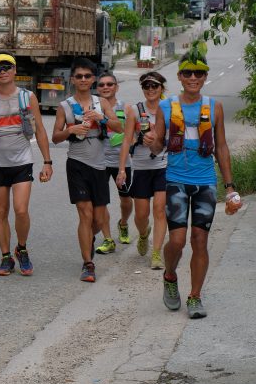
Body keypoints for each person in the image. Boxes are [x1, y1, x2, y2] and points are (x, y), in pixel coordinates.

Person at [151, 44, 239, 318]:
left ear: (204, 77)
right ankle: (169, 275)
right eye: (187, 73)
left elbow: (221, 147)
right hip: (176, 180)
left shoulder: (214, 107)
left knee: (199, 240)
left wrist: (230, 186)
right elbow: (157, 148)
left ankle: (195, 296)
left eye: (198, 73)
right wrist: (151, 142)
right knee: (177, 241)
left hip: (205, 183)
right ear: (179, 76)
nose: (193, 78)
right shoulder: (166, 107)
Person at [0, 52, 54, 276]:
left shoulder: (27, 97)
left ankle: (21, 248)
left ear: (14, 71)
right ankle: (5, 257)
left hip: (22, 161)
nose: (2, 72)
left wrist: (47, 162)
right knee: (1, 211)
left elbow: (40, 129)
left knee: (21, 210)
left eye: (6, 68)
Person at [50, 58, 123, 283]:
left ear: (93, 79)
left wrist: (102, 118)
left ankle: (88, 240)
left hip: (100, 166)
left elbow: (119, 127)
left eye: (87, 76)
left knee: (99, 220)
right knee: (85, 212)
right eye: (79, 76)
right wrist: (71, 129)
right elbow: (55, 136)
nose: (83, 80)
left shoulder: (102, 102)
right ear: (72, 79)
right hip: (77, 164)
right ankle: (88, 264)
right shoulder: (65, 105)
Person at [117, 71, 169, 270]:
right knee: (141, 214)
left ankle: (156, 254)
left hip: (163, 165)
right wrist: (122, 169)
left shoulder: (169, 109)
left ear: (161, 88)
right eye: (146, 86)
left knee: (159, 210)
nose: (150, 90)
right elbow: (126, 141)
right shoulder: (135, 110)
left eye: (154, 86)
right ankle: (144, 233)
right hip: (140, 167)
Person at [93, 72, 133, 255]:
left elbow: (134, 132)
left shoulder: (126, 108)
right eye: (101, 85)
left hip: (121, 161)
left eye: (110, 84)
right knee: (100, 203)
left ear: (116, 87)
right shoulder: (92, 107)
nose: (106, 87)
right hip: (98, 161)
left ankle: (123, 223)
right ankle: (108, 239)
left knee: (126, 199)